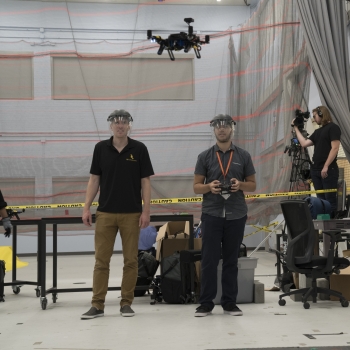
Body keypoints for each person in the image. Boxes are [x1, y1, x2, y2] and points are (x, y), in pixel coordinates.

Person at [81, 109, 154, 319]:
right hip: (105, 213)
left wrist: (146, 211)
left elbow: (145, 181)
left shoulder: (139, 149)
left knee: (131, 260)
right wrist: (86, 207)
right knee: (101, 261)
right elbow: (94, 179)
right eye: (116, 122)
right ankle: (97, 305)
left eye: (124, 122)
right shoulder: (100, 148)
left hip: (132, 214)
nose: (120, 125)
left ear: (129, 125)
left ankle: (126, 303)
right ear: (110, 125)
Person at [193, 114, 256, 317]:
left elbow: (253, 185)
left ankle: (229, 302)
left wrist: (241, 185)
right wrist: (209, 187)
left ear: (232, 129)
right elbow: (196, 187)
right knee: (209, 259)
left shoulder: (243, 156)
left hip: (236, 214)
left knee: (231, 260)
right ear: (213, 130)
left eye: (225, 126)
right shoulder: (204, 156)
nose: (222, 129)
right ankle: (206, 303)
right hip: (212, 213)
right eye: (218, 126)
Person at [292, 106, 341, 214]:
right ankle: (323, 228)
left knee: (329, 201)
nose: (314, 119)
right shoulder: (318, 131)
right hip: (316, 170)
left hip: (328, 170)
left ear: (321, 114)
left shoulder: (333, 128)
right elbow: (304, 143)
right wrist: (296, 128)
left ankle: (330, 228)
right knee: (321, 202)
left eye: (315, 116)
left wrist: (326, 166)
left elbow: (335, 148)